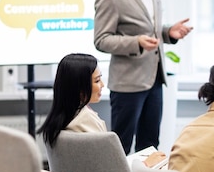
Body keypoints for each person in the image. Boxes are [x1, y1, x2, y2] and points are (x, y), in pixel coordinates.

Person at [94, 0, 193, 154]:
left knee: (150, 146)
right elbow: (101, 40)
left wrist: (169, 33)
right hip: (128, 83)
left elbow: (150, 30)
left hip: (155, 80)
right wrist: (136, 42)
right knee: (120, 147)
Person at [38, 53, 166, 165]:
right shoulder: (85, 121)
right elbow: (110, 171)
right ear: (80, 88)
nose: (103, 85)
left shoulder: (58, 122)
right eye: (97, 80)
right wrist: (145, 165)